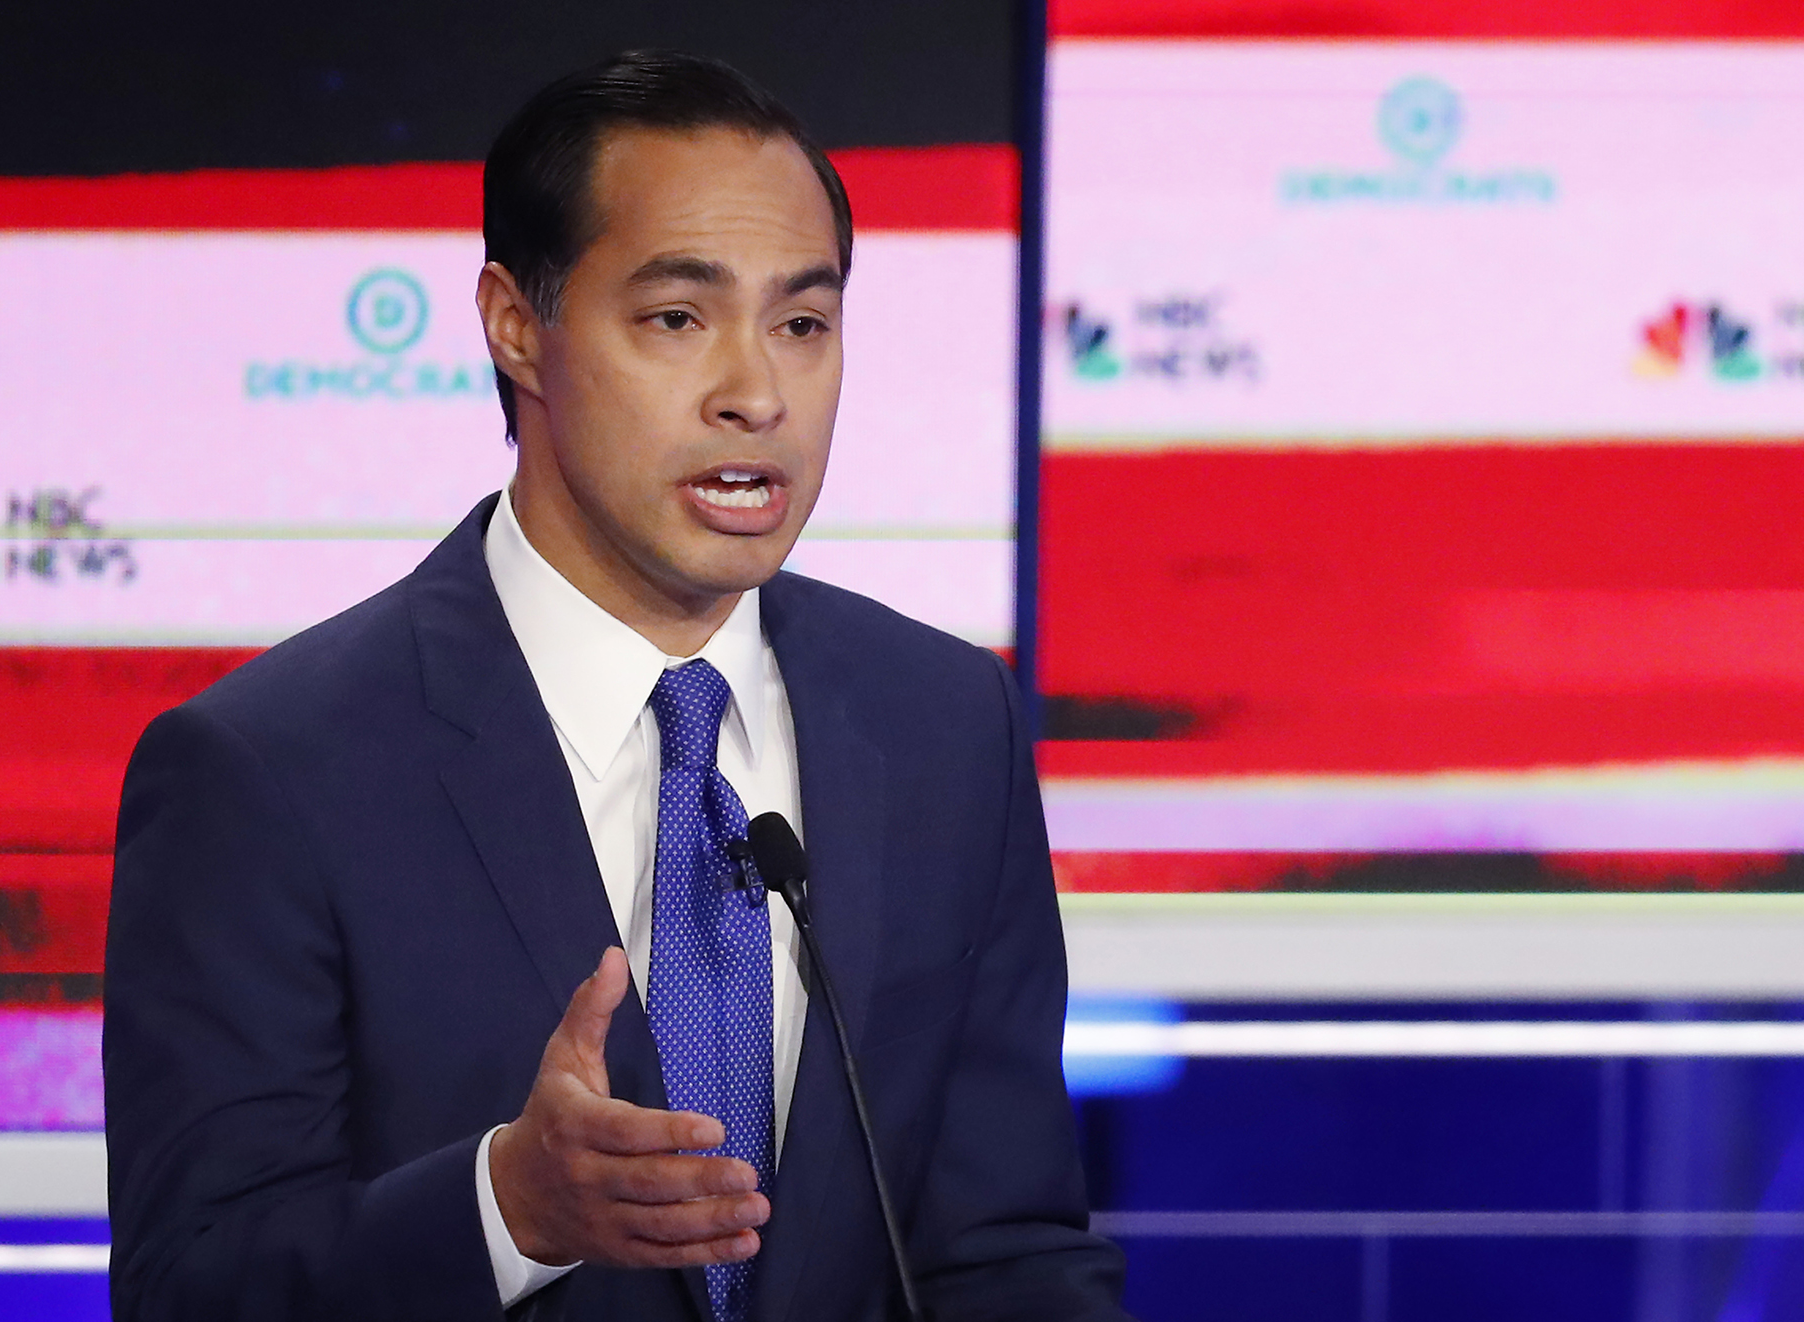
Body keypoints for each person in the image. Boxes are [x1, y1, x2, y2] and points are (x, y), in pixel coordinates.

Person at [104, 49, 1129, 1322]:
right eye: (676, 319)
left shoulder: (941, 726)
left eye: (802, 325)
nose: (756, 395)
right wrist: (506, 1210)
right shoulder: (269, 773)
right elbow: (193, 1287)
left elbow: (1004, 1252)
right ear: (514, 325)